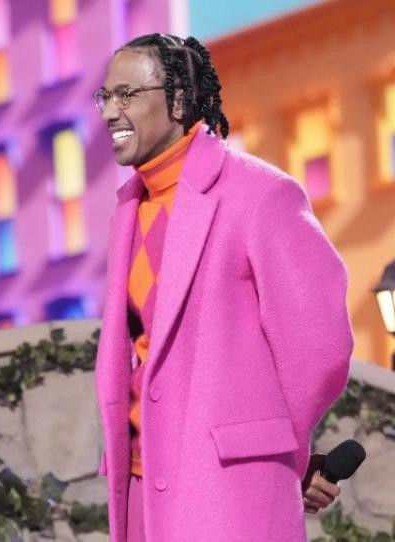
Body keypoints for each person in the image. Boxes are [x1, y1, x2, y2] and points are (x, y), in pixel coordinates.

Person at [91, 33, 352, 542]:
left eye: (128, 94)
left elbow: (320, 348)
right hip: (142, 482)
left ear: (182, 100)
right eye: (106, 96)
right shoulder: (127, 210)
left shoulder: (260, 195)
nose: (110, 112)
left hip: (230, 486)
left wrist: (280, 451)